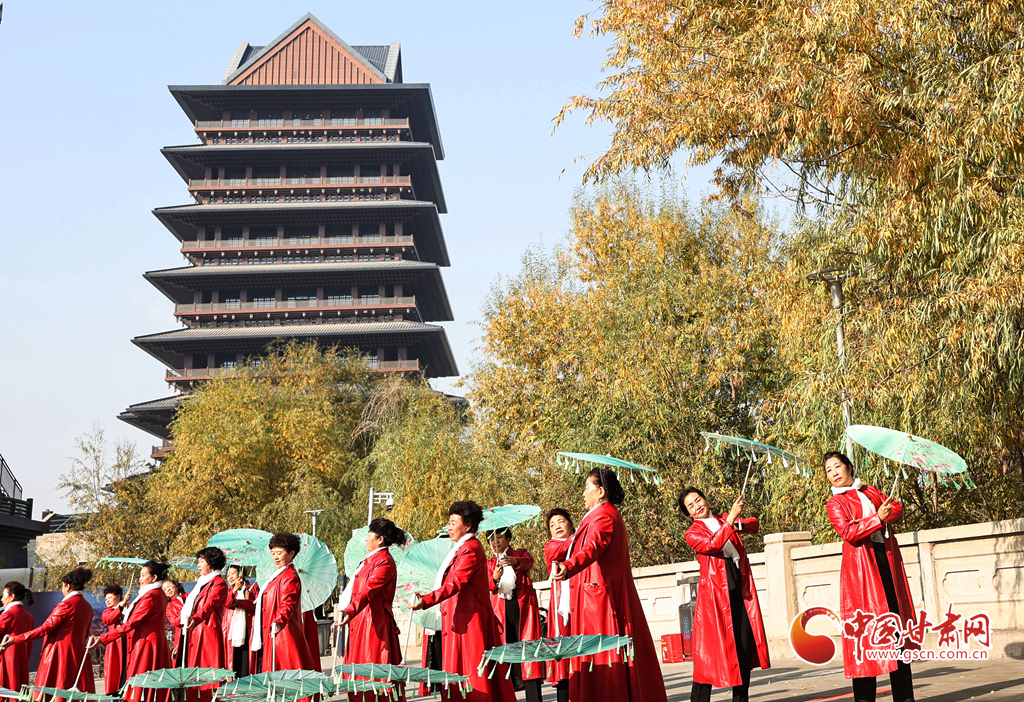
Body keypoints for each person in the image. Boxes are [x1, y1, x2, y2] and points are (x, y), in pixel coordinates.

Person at [550, 468, 667, 702]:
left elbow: (592, 548)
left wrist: (568, 566)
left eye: (587, 487)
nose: (583, 493)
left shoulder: (603, 517)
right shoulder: (598, 515)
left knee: (604, 660)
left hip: (601, 601)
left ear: (601, 491)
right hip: (596, 597)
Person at [824, 452, 915, 702]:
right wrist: (876, 518)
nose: (834, 473)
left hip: (887, 564)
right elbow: (848, 532)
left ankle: (905, 698)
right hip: (861, 574)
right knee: (865, 639)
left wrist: (880, 516)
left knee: (897, 635)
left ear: (849, 467)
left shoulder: (871, 490)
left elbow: (897, 510)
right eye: (829, 470)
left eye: (837, 466)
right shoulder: (835, 504)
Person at [411, 501, 515, 702]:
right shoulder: (461, 548)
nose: (448, 527)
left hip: (470, 622)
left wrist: (426, 600)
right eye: (448, 523)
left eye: (453, 522)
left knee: (472, 672)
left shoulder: (470, 549)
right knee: (462, 672)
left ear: (467, 526)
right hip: (461, 619)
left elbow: (455, 582)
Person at [680, 487, 770, 702]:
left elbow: (754, 525)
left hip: (739, 587)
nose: (697, 506)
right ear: (688, 514)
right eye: (691, 506)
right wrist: (730, 521)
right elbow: (712, 544)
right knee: (708, 656)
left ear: (705, 498)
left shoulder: (723, 519)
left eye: (698, 500)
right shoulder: (692, 533)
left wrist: (736, 520)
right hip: (714, 597)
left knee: (743, 647)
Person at [335, 518, 405, 702]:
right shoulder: (369, 560)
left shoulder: (384, 562)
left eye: (369, 535)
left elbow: (368, 590)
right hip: (362, 622)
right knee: (359, 675)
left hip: (374, 626)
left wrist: (350, 610)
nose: (366, 539)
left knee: (374, 675)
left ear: (380, 539)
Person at [0, 567, 95, 697]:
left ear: (67, 586)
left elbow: (45, 628)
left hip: (60, 654)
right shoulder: (87, 606)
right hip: (78, 654)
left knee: (54, 690)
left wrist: (15, 639)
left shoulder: (66, 605)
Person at [90, 561, 172, 702]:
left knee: (142, 684)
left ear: (154, 578)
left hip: (146, 644)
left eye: (143, 575)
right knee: (150, 685)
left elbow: (131, 623)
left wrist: (103, 639)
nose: (140, 578)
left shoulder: (150, 596)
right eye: (140, 575)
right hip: (149, 642)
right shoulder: (157, 594)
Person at [486, 526, 543, 702]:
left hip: (523, 611)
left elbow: (529, 562)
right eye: (491, 539)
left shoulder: (520, 553)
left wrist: (515, 561)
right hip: (501, 615)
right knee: (505, 656)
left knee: (529, 654)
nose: (495, 542)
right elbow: (486, 585)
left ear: (508, 539)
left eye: (499, 537)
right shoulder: (489, 563)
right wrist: (495, 577)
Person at [250, 532, 316, 672]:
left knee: (285, 676)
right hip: (273, 631)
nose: (275, 557)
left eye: (279, 553)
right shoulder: (278, 575)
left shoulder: (290, 577)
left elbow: (288, 604)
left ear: (291, 553)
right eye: (273, 553)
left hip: (283, 634)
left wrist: (279, 621)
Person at [181, 547, 229, 702]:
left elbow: (209, 605)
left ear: (212, 563)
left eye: (202, 561)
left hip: (208, 633)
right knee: (195, 674)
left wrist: (195, 618)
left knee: (208, 674)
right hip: (196, 632)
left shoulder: (219, 583)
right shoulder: (202, 583)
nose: (198, 565)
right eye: (198, 561)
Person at [543, 508, 574, 700]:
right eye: (552, 525)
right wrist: (581, 535)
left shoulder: (579, 543)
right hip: (561, 607)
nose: (557, 526)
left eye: (561, 521)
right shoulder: (551, 546)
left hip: (581, 600)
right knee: (562, 649)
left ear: (570, 524)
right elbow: (564, 549)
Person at [223, 565, 259, 678]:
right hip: (232, 632)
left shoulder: (253, 588)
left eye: (233, 573)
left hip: (249, 629)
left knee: (246, 662)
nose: (230, 577)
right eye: (227, 575)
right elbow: (227, 604)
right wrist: (234, 591)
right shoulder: (228, 591)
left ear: (241, 574)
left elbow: (257, 605)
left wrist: (239, 603)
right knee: (233, 661)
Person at [0, 581, 35, 692]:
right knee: (18, 691)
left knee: (6, 691)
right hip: (22, 660)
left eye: (3, 595)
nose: (2, 599)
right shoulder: (29, 617)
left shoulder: (8, 615)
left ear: (12, 596)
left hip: (5, 661)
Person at [100, 584, 128, 695]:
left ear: (118, 596)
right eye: (106, 599)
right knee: (115, 670)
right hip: (114, 644)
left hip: (129, 641)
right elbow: (109, 619)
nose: (107, 601)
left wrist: (124, 605)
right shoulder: (106, 612)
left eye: (110, 597)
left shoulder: (128, 607)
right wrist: (122, 605)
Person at [162, 580, 187, 663]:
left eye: (169, 586)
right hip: (182, 635)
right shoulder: (170, 607)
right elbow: (174, 621)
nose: (168, 589)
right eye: (165, 589)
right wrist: (185, 615)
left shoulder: (189, 596)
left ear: (176, 587)